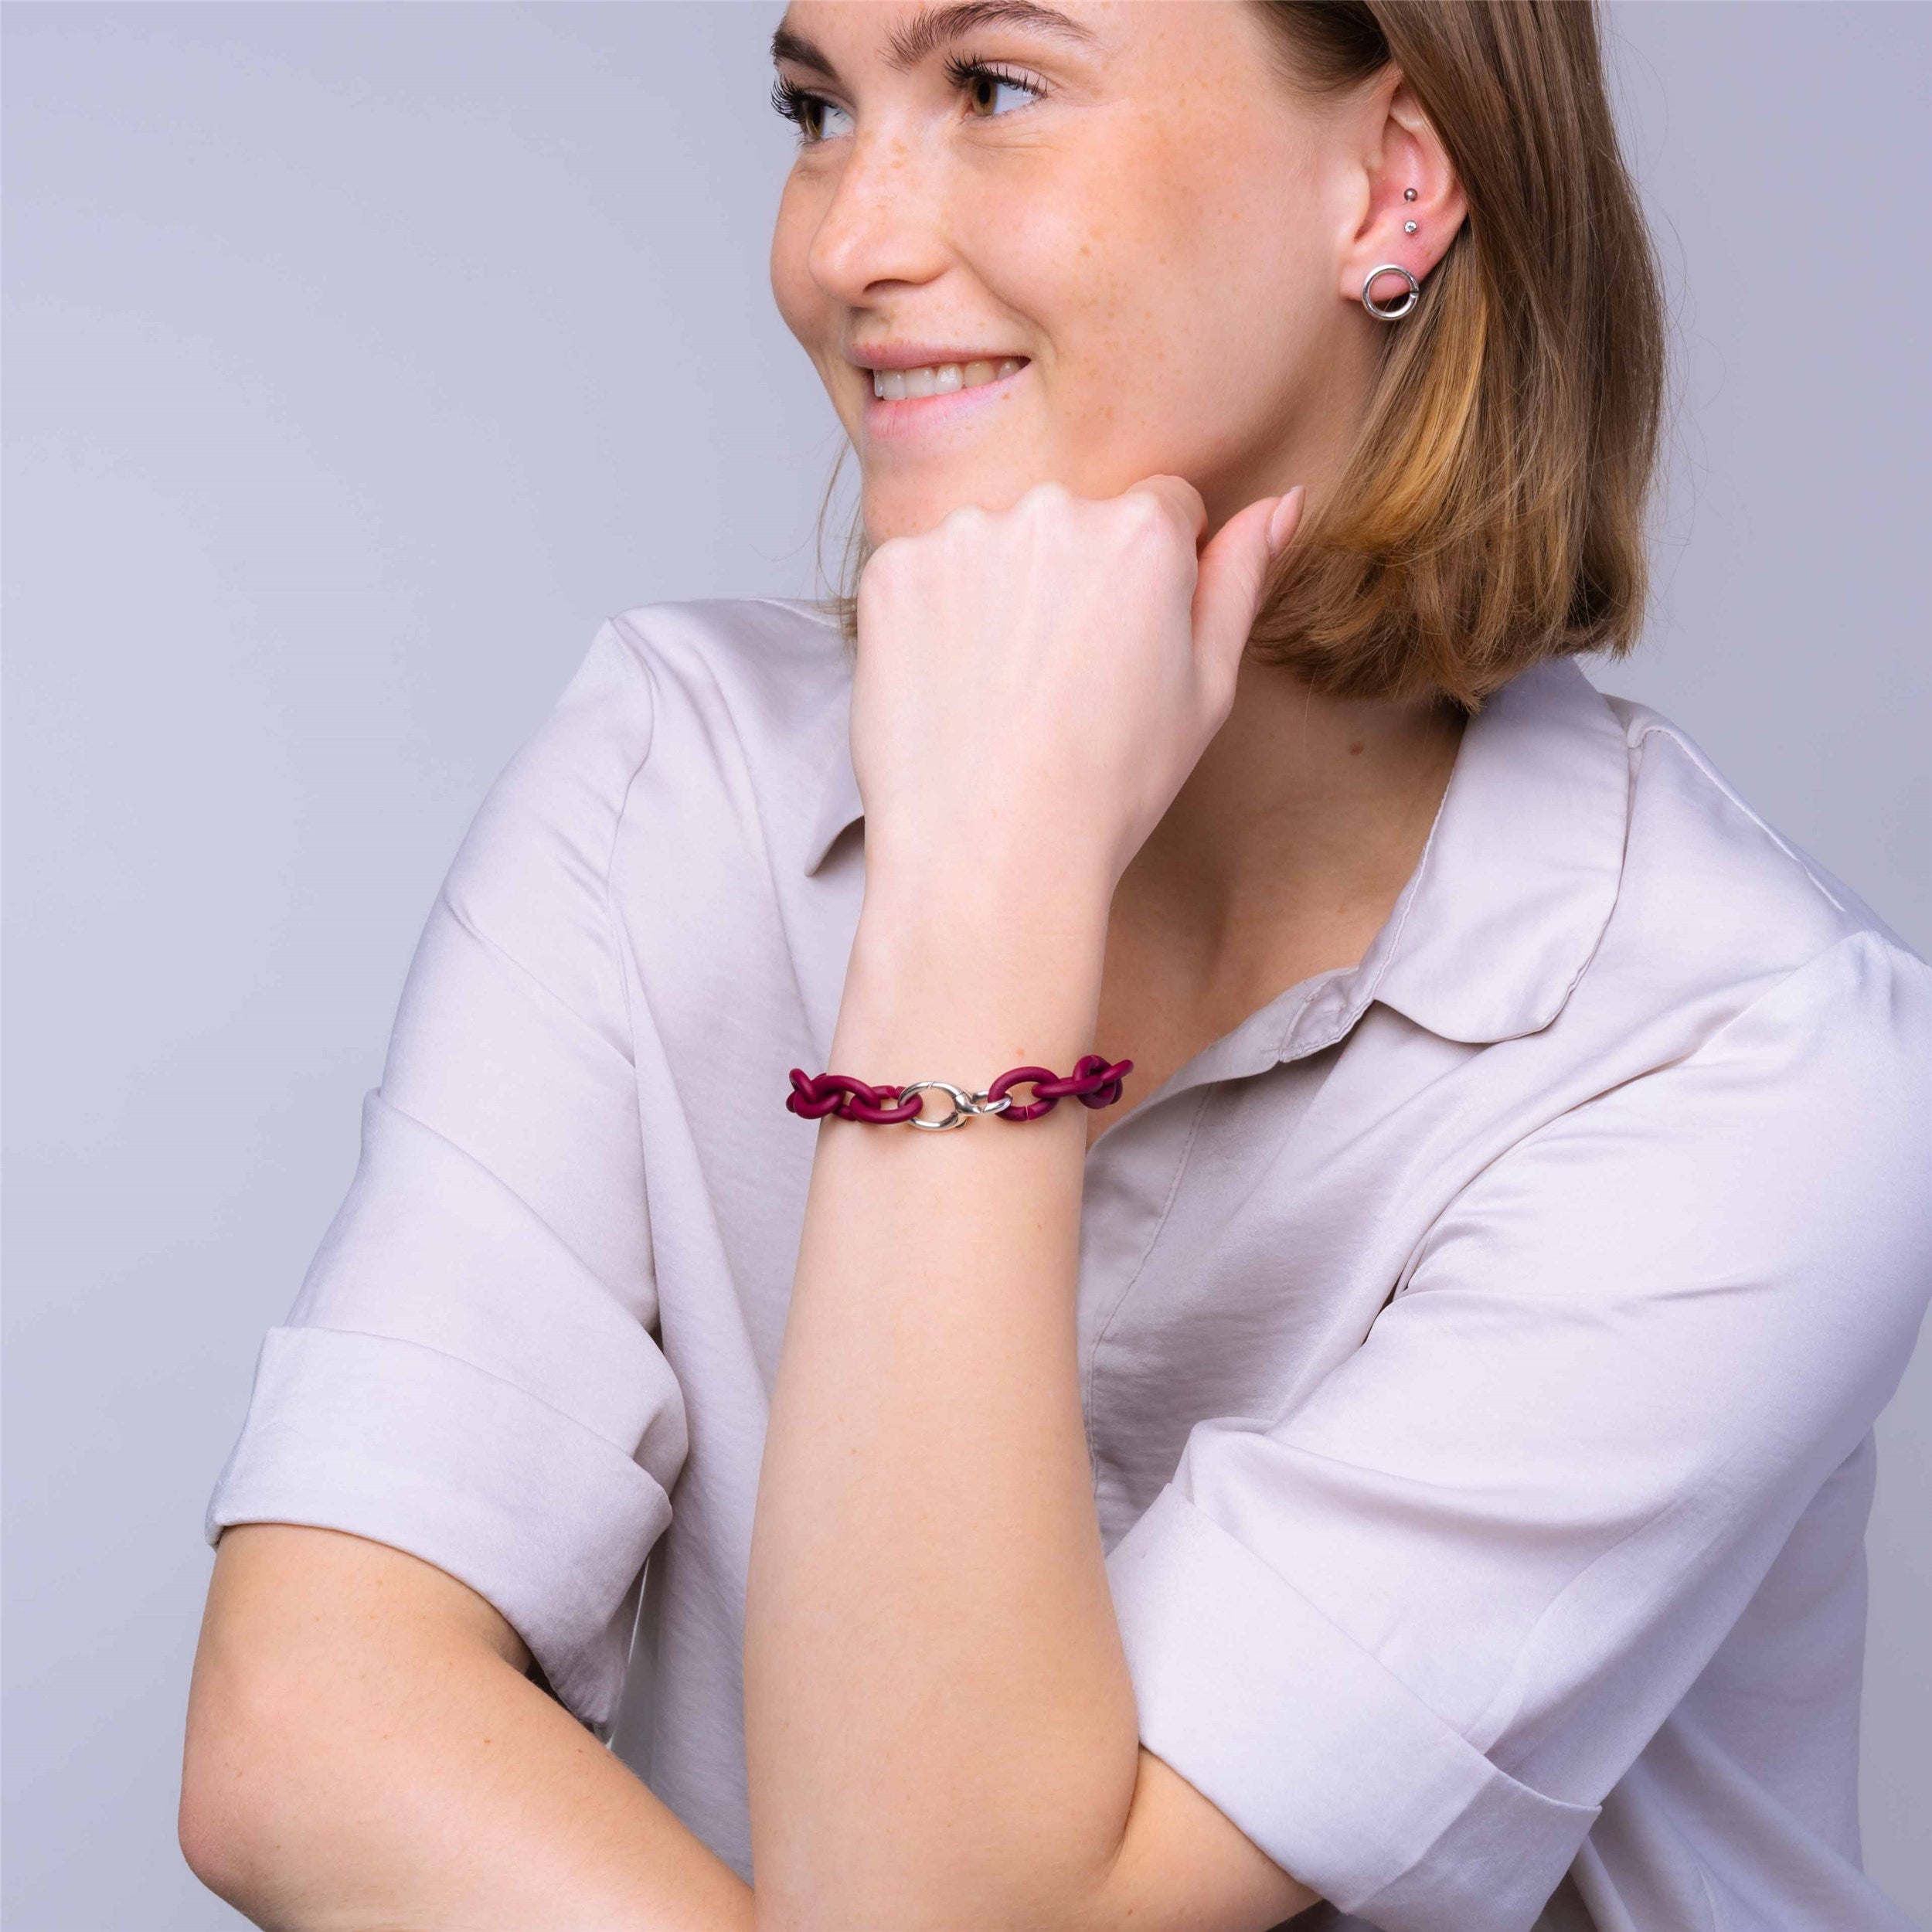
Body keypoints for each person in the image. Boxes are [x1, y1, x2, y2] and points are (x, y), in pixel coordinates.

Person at [179, 4, 1929, 1929]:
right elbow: (300, 1727)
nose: (842, 245)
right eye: (815, 109)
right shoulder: (668, 771)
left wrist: (983, 893)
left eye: (994, 88)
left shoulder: (1737, 1062)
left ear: (1394, 180)